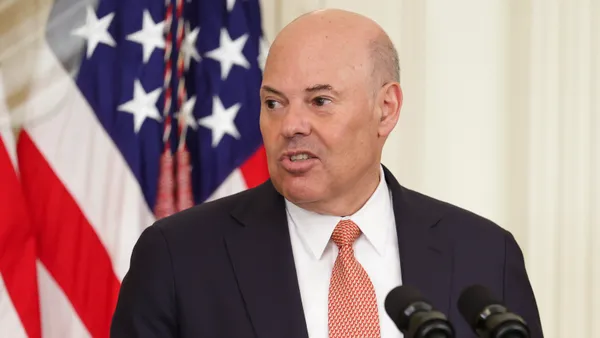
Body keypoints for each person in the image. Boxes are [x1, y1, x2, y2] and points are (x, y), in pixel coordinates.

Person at [110, 8, 544, 338]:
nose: (291, 125)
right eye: (274, 103)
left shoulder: (484, 254)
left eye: (319, 101)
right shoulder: (176, 257)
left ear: (386, 109)